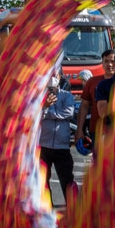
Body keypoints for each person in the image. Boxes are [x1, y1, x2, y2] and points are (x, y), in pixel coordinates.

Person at [39, 76, 76, 205]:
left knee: (67, 179)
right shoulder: (39, 96)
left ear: (59, 78)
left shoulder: (66, 95)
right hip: (43, 145)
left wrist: (47, 110)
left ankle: (73, 208)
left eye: (55, 75)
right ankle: (47, 207)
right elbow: (35, 114)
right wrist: (44, 107)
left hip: (62, 146)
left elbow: (68, 112)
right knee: (42, 180)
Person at [76, 50, 115, 153]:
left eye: (112, 61)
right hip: (96, 130)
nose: (109, 64)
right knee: (99, 164)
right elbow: (84, 106)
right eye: (106, 61)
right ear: (102, 63)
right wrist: (79, 130)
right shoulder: (92, 82)